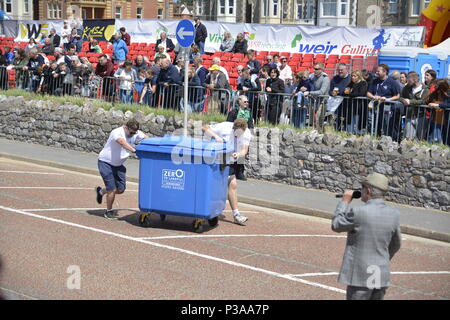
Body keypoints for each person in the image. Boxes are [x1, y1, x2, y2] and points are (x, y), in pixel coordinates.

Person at [332, 172, 401, 300]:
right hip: (380, 272)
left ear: (368, 191)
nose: (361, 191)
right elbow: (396, 244)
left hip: (360, 275)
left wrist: (345, 202)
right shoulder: (394, 214)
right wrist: (383, 258)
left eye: (362, 187)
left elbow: (336, 225)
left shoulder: (358, 212)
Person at [96, 119, 149, 219]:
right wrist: (134, 150)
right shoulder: (117, 132)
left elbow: (146, 138)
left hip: (118, 165)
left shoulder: (135, 133)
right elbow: (121, 142)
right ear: (126, 127)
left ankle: (101, 192)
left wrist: (154, 144)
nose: (133, 134)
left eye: (135, 133)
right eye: (131, 132)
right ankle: (108, 212)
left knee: (121, 189)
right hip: (105, 163)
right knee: (112, 189)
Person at [202, 118, 251, 225]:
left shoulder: (247, 133)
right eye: (236, 133)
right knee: (216, 184)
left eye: (240, 134)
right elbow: (205, 127)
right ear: (233, 127)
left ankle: (236, 214)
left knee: (232, 184)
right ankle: (205, 209)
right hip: (217, 158)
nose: (238, 136)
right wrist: (215, 136)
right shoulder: (224, 126)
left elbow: (244, 150)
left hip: (230, 159)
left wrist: (238, 154)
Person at [366, 64, 401, 140]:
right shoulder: (374, 81)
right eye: (376, 71)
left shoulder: (392, 82)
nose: (376, 72)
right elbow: (368, 93)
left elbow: (397, 95)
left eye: (378, 71)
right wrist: (373, 97)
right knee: (374, 124)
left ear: (385, 72)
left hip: (388, 108)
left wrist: (387, 99)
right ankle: (375, 139)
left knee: (387, 126)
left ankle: (389, 141)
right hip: (375, 107)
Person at [399, 71, 429, 141]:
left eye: (409, 79)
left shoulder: (425, 89)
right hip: (409, 115)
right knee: (408, 138)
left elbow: (423, 101)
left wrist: (410, 101)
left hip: (420, 116)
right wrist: (403, 100)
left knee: (420, 138)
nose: (407, 81)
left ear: (415, 80)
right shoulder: (407, 88)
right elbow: (400, 97)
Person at [425, 79, 449, 143]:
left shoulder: (448, 94)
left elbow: (447, 104)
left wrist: (437, 104)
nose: (435, 87)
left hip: (445, 120)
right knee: (433, 139)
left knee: (442, 139)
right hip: (435, 119)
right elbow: (427, 100)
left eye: (437, 86)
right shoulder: (435, 93)